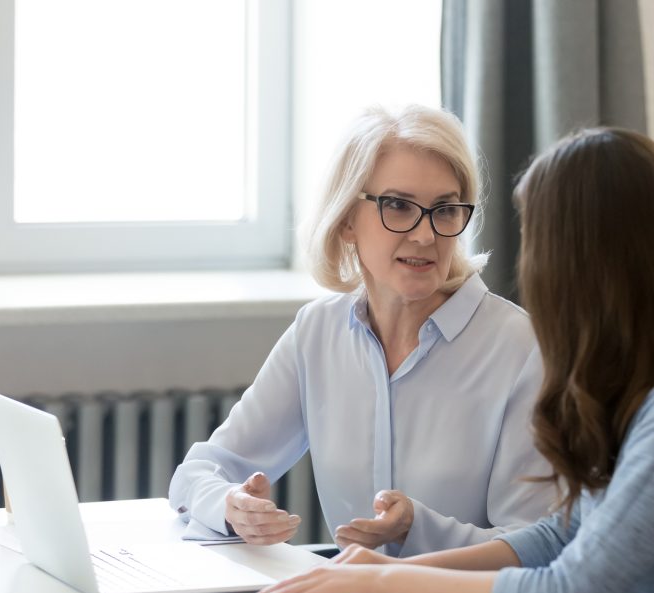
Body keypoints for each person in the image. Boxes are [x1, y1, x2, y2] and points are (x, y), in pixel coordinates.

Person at [253, 127, 654, 593]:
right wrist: (376, 570)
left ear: (579, 258)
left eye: (537, 240)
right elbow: (558, 536)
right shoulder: (644, 382)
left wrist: (381, 582)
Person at [169, 105, 553, 557]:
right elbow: (199, 472)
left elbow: (536, 545)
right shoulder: (317, 333)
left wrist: (416, 527)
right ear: (348, 219)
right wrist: (232, 506)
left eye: (445, 210)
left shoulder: (520, 348)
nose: (425, 235)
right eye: (398, 206)